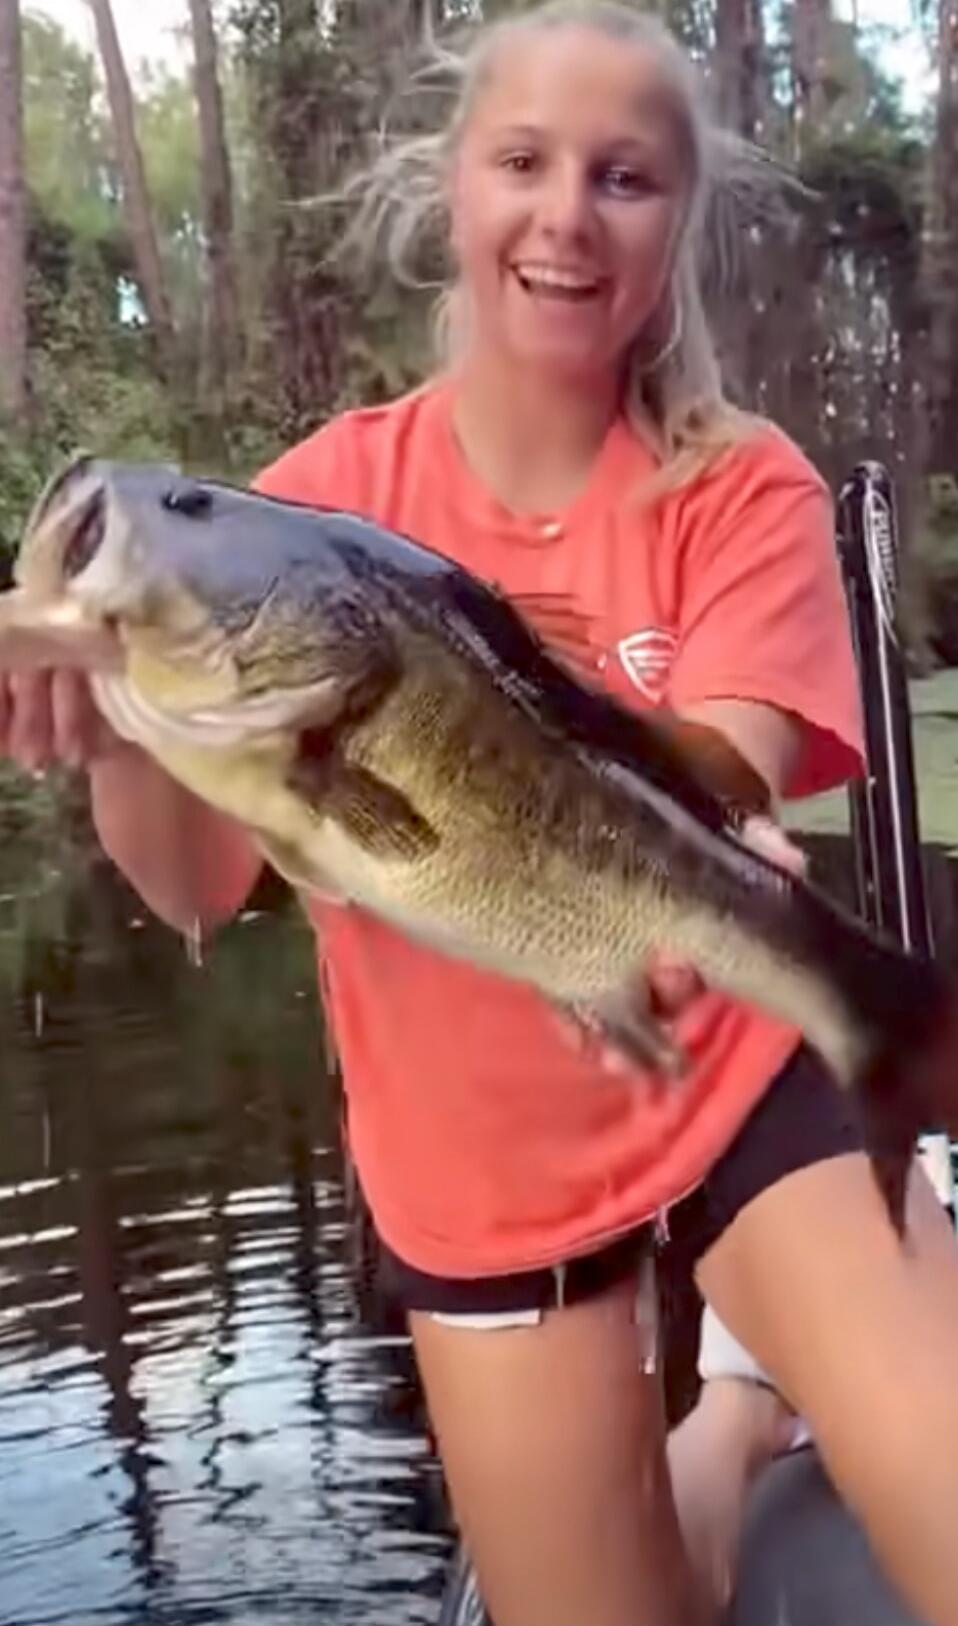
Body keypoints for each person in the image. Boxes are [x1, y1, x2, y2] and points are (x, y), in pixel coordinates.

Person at [4, 4, 958, 1623]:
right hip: (481, 1176)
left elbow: (709, 770)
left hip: (736, 1076)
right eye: (521, 161)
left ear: (675, 229)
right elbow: (185, 893)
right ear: (455, 190)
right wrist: (108, 732)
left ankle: (750, 1338)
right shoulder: (319, 509)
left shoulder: (740, 481)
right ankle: (730, 1419)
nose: (564, 214)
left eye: (624, 177)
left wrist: (681, 899)